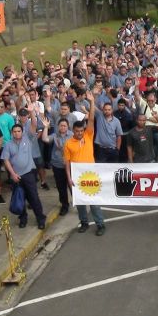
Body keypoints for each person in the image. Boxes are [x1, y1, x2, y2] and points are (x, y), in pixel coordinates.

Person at [65, 90, 106, 235]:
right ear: (73, 131)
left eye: (81, 131)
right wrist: (69, 177)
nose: (79, 133)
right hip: (76, 177)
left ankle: (100, 224)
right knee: (80, 202)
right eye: (77, 131)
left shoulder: (88, 136)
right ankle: (84, 222)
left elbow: (91, 119)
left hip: (90, 175)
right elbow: (67, 162)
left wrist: (92, 102)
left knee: (94, 202)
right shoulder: (68, 143)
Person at [3, 106, 48, 229]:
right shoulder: (8, 145)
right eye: (14, 131)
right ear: (12, 133)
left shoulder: (28, 138)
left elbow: (34, 124)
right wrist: (12, 174)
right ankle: (23, 219)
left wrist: (31, 111)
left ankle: (40, 219)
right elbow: (6, 160)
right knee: (19, 198)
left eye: (19, 131)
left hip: (28, 174)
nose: (17, 133)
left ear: (22, 132)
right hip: (16, 176)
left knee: (34, 198)